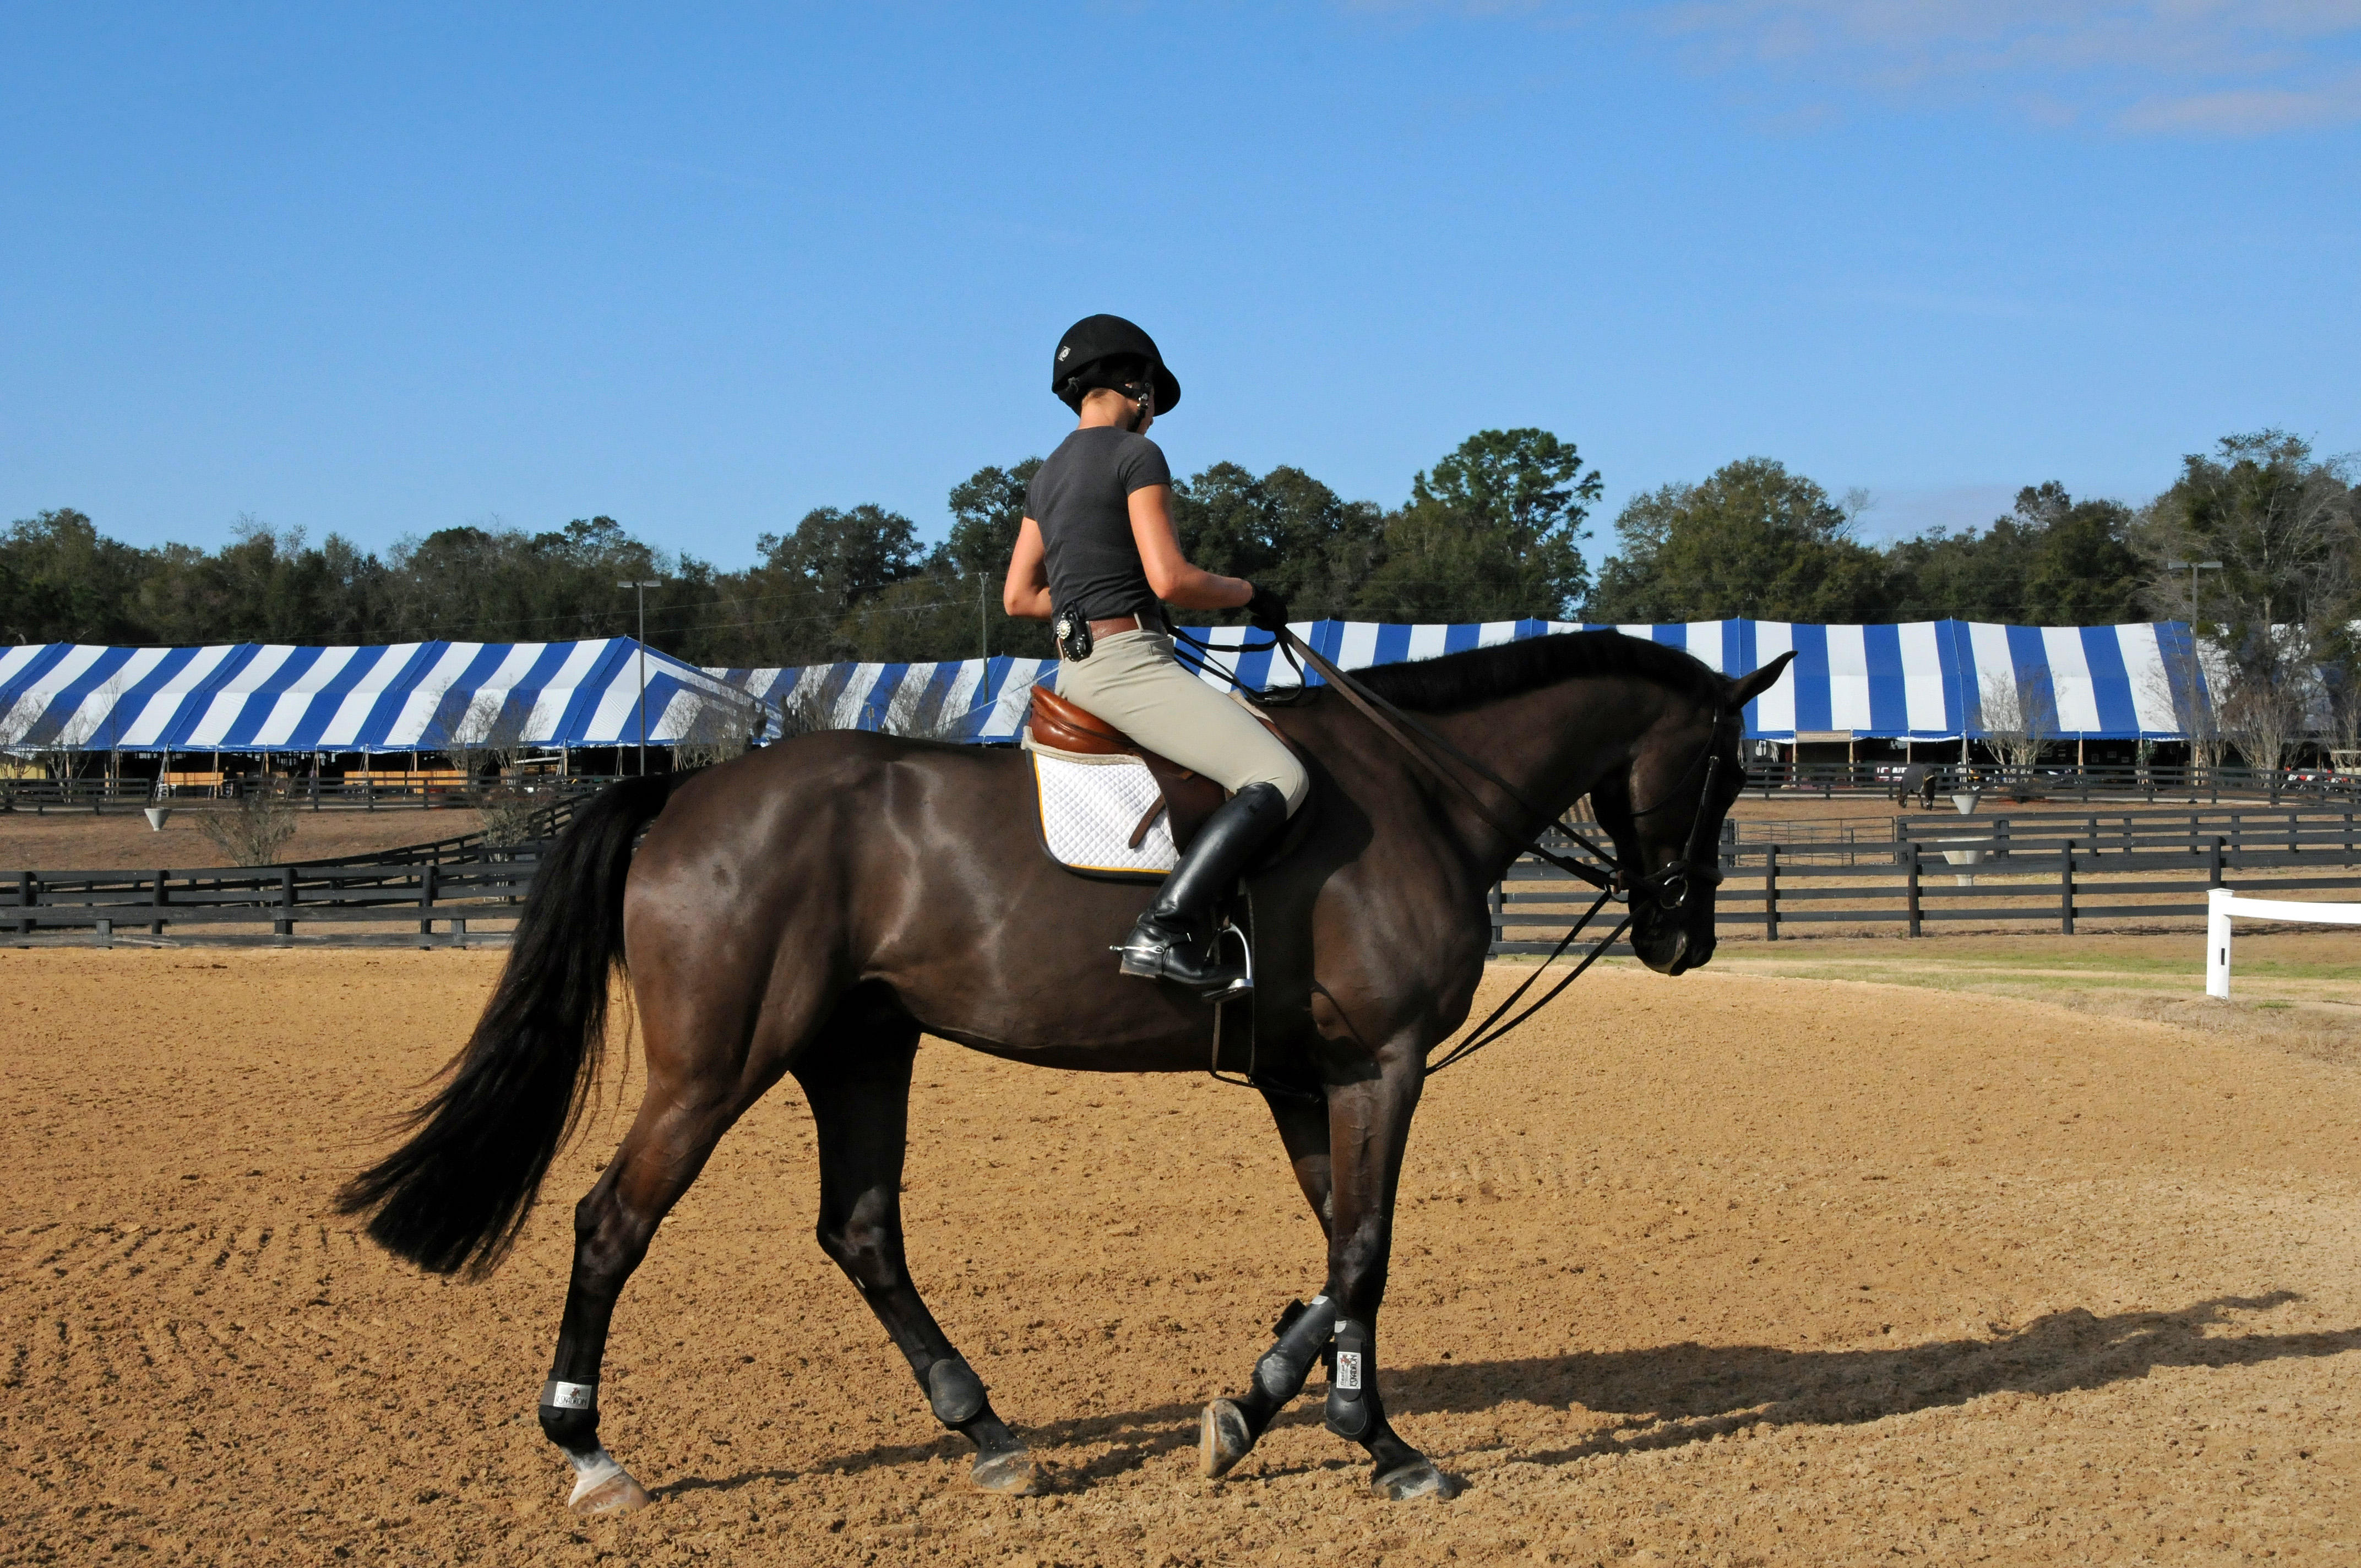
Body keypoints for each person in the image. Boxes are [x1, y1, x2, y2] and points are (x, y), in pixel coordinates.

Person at [1002, 314, 1310, 998]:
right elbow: (1171, 579)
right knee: (1278, 775)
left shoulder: (1045, 475)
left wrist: (1090, 598)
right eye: (1151, 398)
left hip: (1071, 671)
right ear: (1135, 385)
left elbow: (1020, 598)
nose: (1152, 414)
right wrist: (1252, 592)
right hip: (1129, 664)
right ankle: (1163, 930)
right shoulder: (1136, 457)